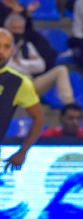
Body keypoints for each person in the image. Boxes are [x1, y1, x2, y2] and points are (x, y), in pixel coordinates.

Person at [5, 12, 72, 106]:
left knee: (61, 70)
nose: (17, 31)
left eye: (20, 28)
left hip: (29, 85)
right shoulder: (2, 47)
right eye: (14, 28)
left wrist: (19, 62)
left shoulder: (27, 45)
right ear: (7, 29)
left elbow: (41, 66)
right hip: (8, 86)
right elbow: (8, 67)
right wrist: (29, 64)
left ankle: (69, 106)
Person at [0, 27, 44, 171]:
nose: (1, 51)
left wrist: (23, 151)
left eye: (6, 47)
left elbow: (39, 119)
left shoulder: (18, 83)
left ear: (12, 51)